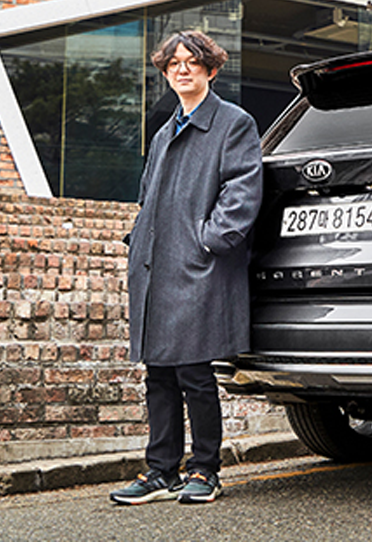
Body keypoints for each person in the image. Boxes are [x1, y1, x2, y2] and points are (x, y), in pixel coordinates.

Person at [109, 30, 263, 505]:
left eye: (192, 62)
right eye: (173, 63)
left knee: (194, 372)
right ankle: (161, 471)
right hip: (157, 267)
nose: (182, 70)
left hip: (197, 266)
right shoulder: (162, 131)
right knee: (158, 374)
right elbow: (147, 197)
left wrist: (209, 240)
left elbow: (242, 191)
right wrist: (139, 240)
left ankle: (204, 469)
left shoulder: (233, 124)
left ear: (211, 70)